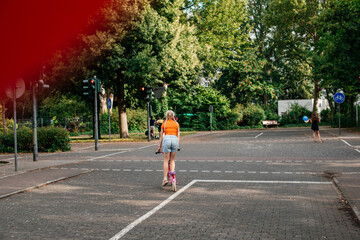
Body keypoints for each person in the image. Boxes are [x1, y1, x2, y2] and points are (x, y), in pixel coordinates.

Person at [158, 110, 180, 188]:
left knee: (166, 160)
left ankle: (165, 179)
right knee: (172, 160)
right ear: (173, 116)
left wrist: (159, 147)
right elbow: (178, 136)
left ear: (166, 116)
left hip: (167, 139)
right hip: (175, 140)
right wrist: (178, 146)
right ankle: (173, 178)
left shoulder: (164, 124)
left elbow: (161, 137)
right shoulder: (177, 124)